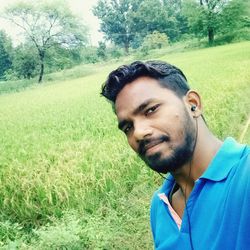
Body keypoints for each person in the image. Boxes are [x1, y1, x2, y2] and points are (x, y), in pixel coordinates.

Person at [100, 60, 250, 250]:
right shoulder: (160, 205)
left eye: (151, 110)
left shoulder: (244, 177)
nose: (138, 133)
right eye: (128, 127)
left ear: (193, 104)